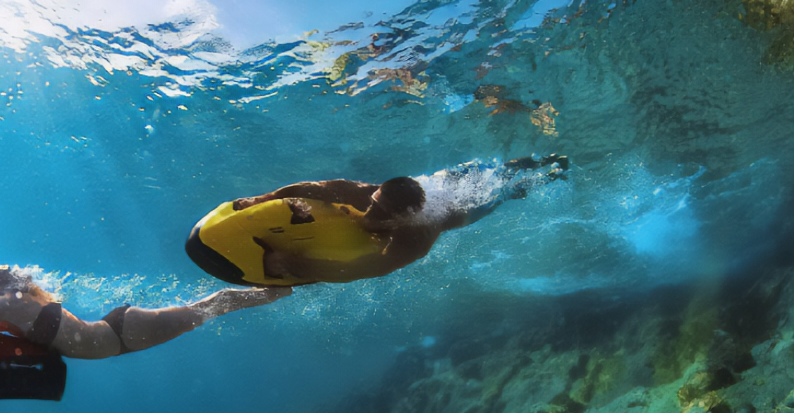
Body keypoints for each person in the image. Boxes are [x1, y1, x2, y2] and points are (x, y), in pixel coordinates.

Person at [219, 154, 568, 285]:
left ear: (404, 217)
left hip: (462, 209)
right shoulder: (369, 193)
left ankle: (536, 171)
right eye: (374, 203)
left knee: (499, 195)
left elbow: (368, 268)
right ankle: (520, 163)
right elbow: (317, 187)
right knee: (467, 171)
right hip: (437, 182)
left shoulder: (418, 236)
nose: (371, 213)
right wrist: (266, 199)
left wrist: (299, 264)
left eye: (382, 213)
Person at [0, 265, 291, 359]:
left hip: (124, 333)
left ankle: (271, 290)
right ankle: (268, 290)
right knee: (206, 310)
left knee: (209, 308)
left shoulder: (6, 304)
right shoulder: (14, 308)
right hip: (120, 331)